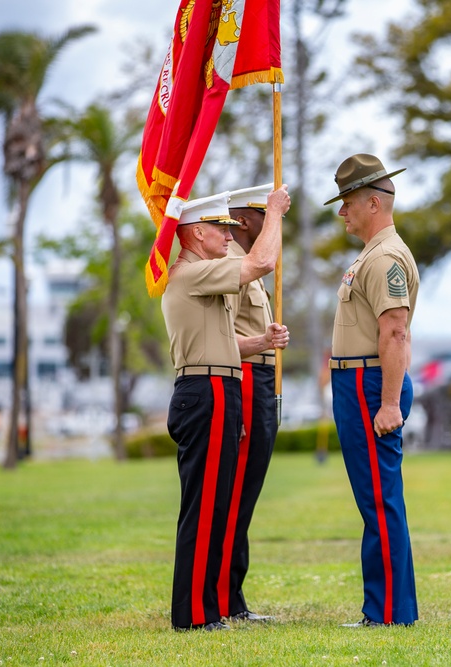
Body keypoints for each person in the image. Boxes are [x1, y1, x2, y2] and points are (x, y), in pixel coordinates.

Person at [162, 187, 290, 632]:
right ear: (196, 233)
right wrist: (273, 212)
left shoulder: (202, 273)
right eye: (221, 228)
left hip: (218, 385)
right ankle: (195, 616)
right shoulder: (192, 272)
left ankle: (207, 608)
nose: (229, 236)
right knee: (204, 506)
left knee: (215, 504)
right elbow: (262, 263)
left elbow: (223, 340)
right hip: (205, 388)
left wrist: (260, 343)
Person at [323, 154, 420, 627]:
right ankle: (387, 609)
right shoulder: (372, 255)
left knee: (380, 501)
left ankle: (388, 615)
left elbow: (395, 332)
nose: (342, 212)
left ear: (374, 203)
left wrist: (386, 402)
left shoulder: (384, 258)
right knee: (375, 499)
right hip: (357, 382)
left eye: (347, 202)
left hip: (369, 384)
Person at [215, 183, 287, 623]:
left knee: (247, 495)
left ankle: (232, 596)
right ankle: (224, 598)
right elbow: (222, 338)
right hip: (243, 378)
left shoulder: (245, 269)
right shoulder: (233, 265)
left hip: (260, 379)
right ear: (246, 220)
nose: (275, 221)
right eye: (267, 214)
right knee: (235, 492)